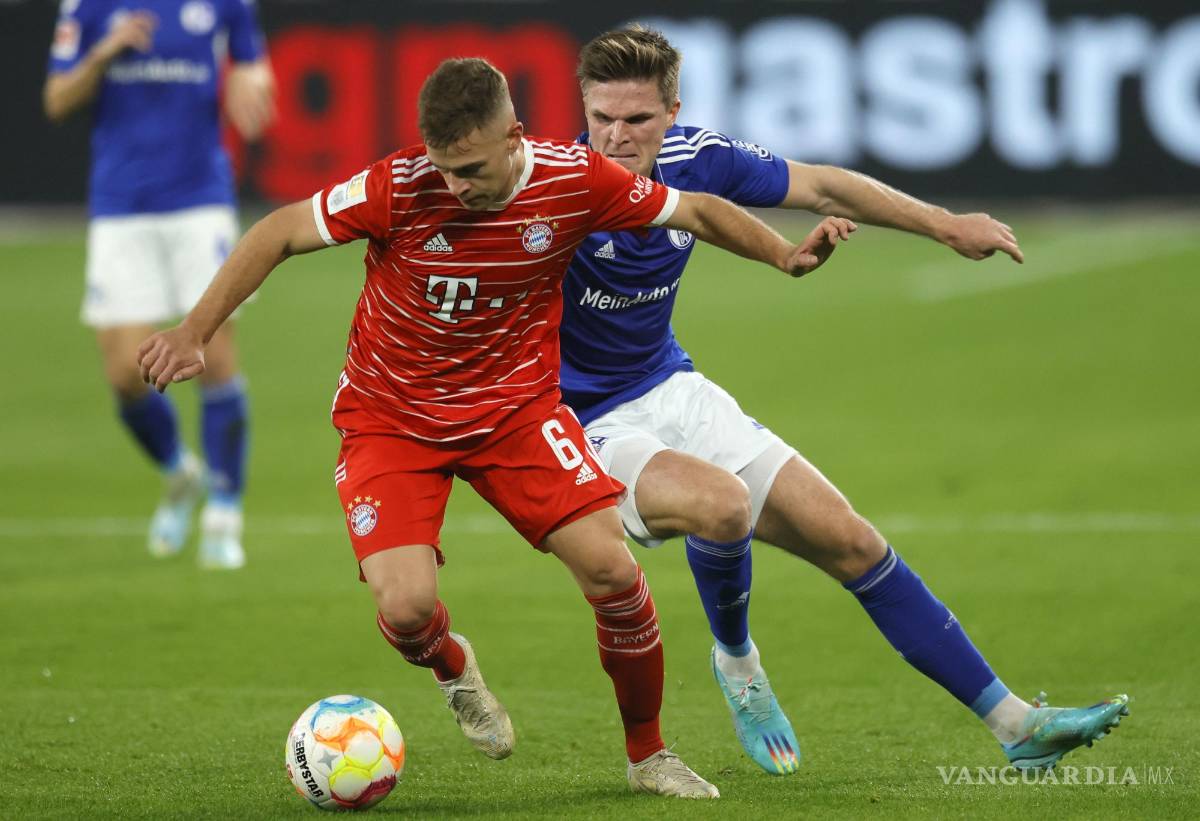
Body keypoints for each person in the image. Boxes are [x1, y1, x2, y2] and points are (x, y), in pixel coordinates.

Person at [136, 57, 854, 798]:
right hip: (393, 420)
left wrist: (784, 253)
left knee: (613, 571)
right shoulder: (399, 185)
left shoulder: (573, 179)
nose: (456, 185)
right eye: (444, 168)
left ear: (515, 136)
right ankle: (452, 665)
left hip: (516, 411)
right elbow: (282, 230)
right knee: (407, 608)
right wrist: (195, 330)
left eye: (472, 167)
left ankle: (649, 755)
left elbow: (694, 210)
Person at [561, 25, 1129, 776]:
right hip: (583, 419)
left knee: (854, 540)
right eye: (601, 118)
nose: (616, 137)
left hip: (671, 385)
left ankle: (1017, 724)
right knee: (721, 504)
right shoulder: (554, 188)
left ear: (673, 110)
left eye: (636, 119)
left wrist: (945, 225)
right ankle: (738, 664)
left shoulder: (699, 157)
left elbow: (822, 184)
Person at [44, 0, 275, 568]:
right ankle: (180, 472)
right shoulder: (86, 7)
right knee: (126, 372)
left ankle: (225, 509)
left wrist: (253, 85)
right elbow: (56, 101)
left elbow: (253, 67)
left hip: (199, 202)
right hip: (121, 205)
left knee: (215, 356)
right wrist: (104, 52)